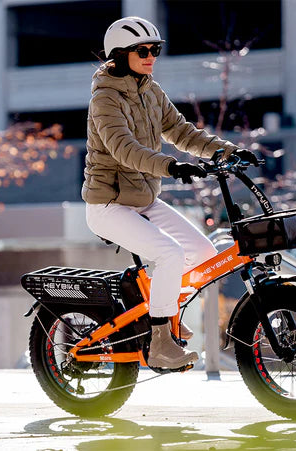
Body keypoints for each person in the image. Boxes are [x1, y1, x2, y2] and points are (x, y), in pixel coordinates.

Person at [83, 16, 257, 369]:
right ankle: (160, 342)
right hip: (108, 204)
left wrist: (227, 151)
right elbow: (124, 149)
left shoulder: (150, 91)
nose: (151, 56)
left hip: (143, 199)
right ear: (119, 55)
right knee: (169, 253)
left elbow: (181, 132)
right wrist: (171, 166)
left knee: (203, 253)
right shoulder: (105, 99)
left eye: (156, 50)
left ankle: (162, 310)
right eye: (142, 50)